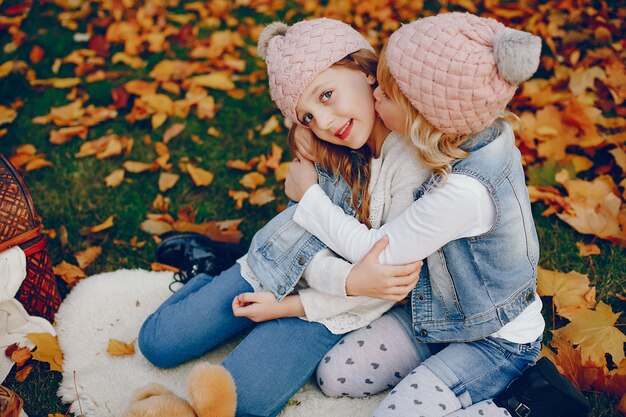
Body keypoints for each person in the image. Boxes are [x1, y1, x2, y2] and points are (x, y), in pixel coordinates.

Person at [138, 17, 427, 417]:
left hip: (324, 307)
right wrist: (302, 131)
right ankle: (210, 270)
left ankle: (255, 323)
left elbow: (380, 285)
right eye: (306, 115)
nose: (323, 123)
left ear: (365, 69)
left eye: (326, 96)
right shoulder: (328, 146)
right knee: (157, 343)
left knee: (244, 403)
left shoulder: (410, 164)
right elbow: (301, 235)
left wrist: (290, 305)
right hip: (275, 266)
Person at [284, 12, 546, 417]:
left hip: (494, 340)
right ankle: (439, 375)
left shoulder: (464, 192)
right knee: (336, 375)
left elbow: (375, 252)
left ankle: (516, 406)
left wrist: (311, 198)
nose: (373, 97)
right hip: (438, 315)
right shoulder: (456, 138)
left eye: (385, 94)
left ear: (420, 112)